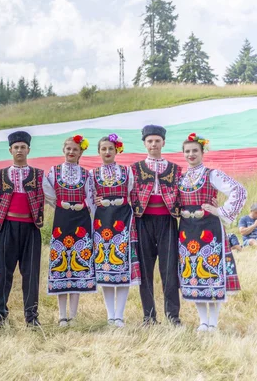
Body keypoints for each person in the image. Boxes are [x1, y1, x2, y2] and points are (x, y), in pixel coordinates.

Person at [177, 133, 247, 332]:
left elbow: (239, 190)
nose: (191, 155)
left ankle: (213, 322)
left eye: (194, 151)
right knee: (193, 273)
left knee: (211, 271)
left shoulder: (212, 174)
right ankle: (202, 321)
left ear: (202, 152)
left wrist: (221, 211)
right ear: (183, 154)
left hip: (209, 228)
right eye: (187, 151)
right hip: (187, 231)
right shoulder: (181, 178)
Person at [0, 131, 45, 328]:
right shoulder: (0, 175)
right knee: (4, 272)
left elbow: (49, 197)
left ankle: (31, 316)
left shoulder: (39, 175)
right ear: (10, 150)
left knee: (31, 273)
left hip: (31, 228)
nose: (19, 150)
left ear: (28, 149)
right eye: (16, 147)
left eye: (23, 147)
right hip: (8, 227)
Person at [130, 125, 182, 326]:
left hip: (168, 220)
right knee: (145, 269)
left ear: (163, 143)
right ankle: (149, 316)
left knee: (169, 268)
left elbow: (183, 193)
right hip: (143, 221)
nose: (153, 144)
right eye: (150, 141)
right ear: (144, 143)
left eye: (157, 141)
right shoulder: (135, 168)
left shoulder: (175, 169)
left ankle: (173, 316)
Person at [43, 135, 95, 327]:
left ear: (81, 152)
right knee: (60, 265)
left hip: (81, 221)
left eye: (75, 149)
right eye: (68, 149)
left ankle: (73, 315)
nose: (71, 152)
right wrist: (58, 203)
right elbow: (47, 191)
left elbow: (91, 196)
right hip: (62, 220)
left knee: (78, 265)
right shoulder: (54, 172)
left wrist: (84, 205)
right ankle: (62, 315)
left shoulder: (86, 174)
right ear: (63, 150)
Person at [90, 134, 141, 328]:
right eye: (103, 149)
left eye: (110, 148)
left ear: (117, 150)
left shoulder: (127, 172)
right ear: (99, 151)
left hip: (124, 223)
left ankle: (119, 315)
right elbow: (89, 199)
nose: (107, 152)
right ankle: (110, 315)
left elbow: (133, 195)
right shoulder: (92, 174)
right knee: (106, 269)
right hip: (102, 224)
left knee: (123, 269)